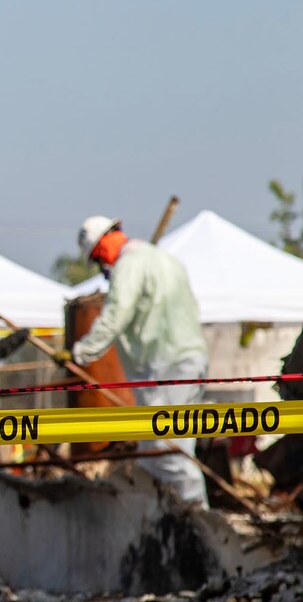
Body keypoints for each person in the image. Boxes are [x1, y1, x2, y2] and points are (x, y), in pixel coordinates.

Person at [55, 216, 210, 508]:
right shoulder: (164, 260)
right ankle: (164, 517)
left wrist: (80, 353)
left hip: (165, 365)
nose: (103, 265)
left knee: (166, 448)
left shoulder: (129, 264)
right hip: (186, 359)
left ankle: (197, 517)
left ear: (104, 243)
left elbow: (116, 315)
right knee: (157, 448)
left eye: (99, 257)